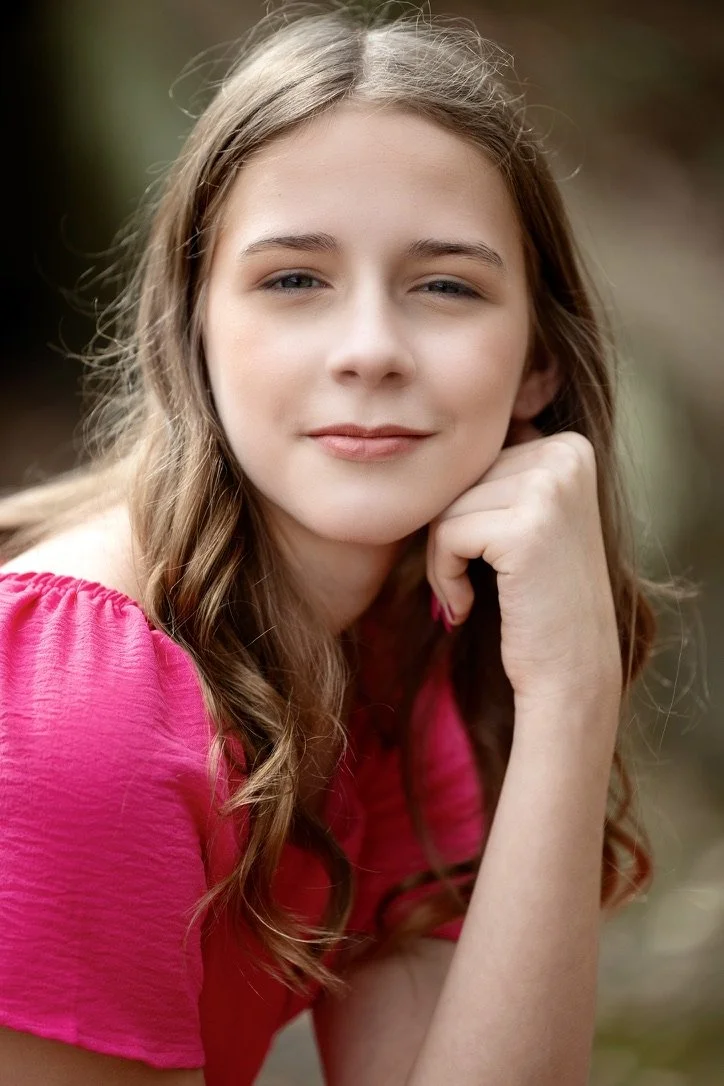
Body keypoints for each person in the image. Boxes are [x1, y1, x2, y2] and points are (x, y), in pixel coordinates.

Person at [0, 5, 664, 1084]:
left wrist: (571, 694)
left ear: (539, 360)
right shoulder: (71, 709)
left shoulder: (399, 657)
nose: (369, 351)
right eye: (293, 280)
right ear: (192, 331)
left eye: (445, 285)